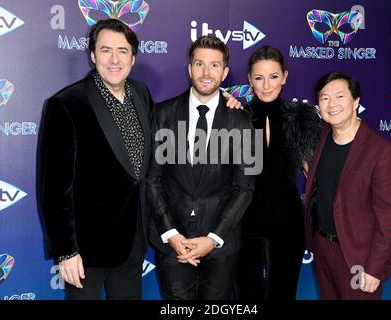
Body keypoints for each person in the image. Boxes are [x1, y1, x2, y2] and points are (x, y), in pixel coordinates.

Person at [39, 19, 153, 300]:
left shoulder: (142, 94)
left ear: (133, 58)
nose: (114, 59)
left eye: (122, 51)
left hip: (133, 243)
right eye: (105, 50)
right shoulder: (66, 104)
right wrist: (67, 251)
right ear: (92, 55)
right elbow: (54, 189)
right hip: (85, 252)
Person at [147, 35, 256, 300]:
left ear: (225, 71)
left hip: (221, 242)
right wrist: (172, 234)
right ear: (189, 68)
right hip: (174, 241)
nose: (206, 73)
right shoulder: (162, 114)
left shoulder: (242, 120)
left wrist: (213, 238)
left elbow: (246, 188)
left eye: (215, 65)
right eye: (199, 64)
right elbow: (153, 179)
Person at [304, 71, 391, 299]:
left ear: (356, 101)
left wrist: (374, 268)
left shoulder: (381, 151)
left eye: (340, 96)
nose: (332, 104)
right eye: (324, 98)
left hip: (359, 257)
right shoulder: (322, 137)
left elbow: (389, 215)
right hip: (322, 247)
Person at [234, 46, 320, 300]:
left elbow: (312, 171)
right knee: (246, 296)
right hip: (243, 223)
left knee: (283, 294)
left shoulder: (303, 118)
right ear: (249, 79)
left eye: (273, 77)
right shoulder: (236, 116)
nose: (267, 86)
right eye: (259, 78)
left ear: (285, 76)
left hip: (287, 223)